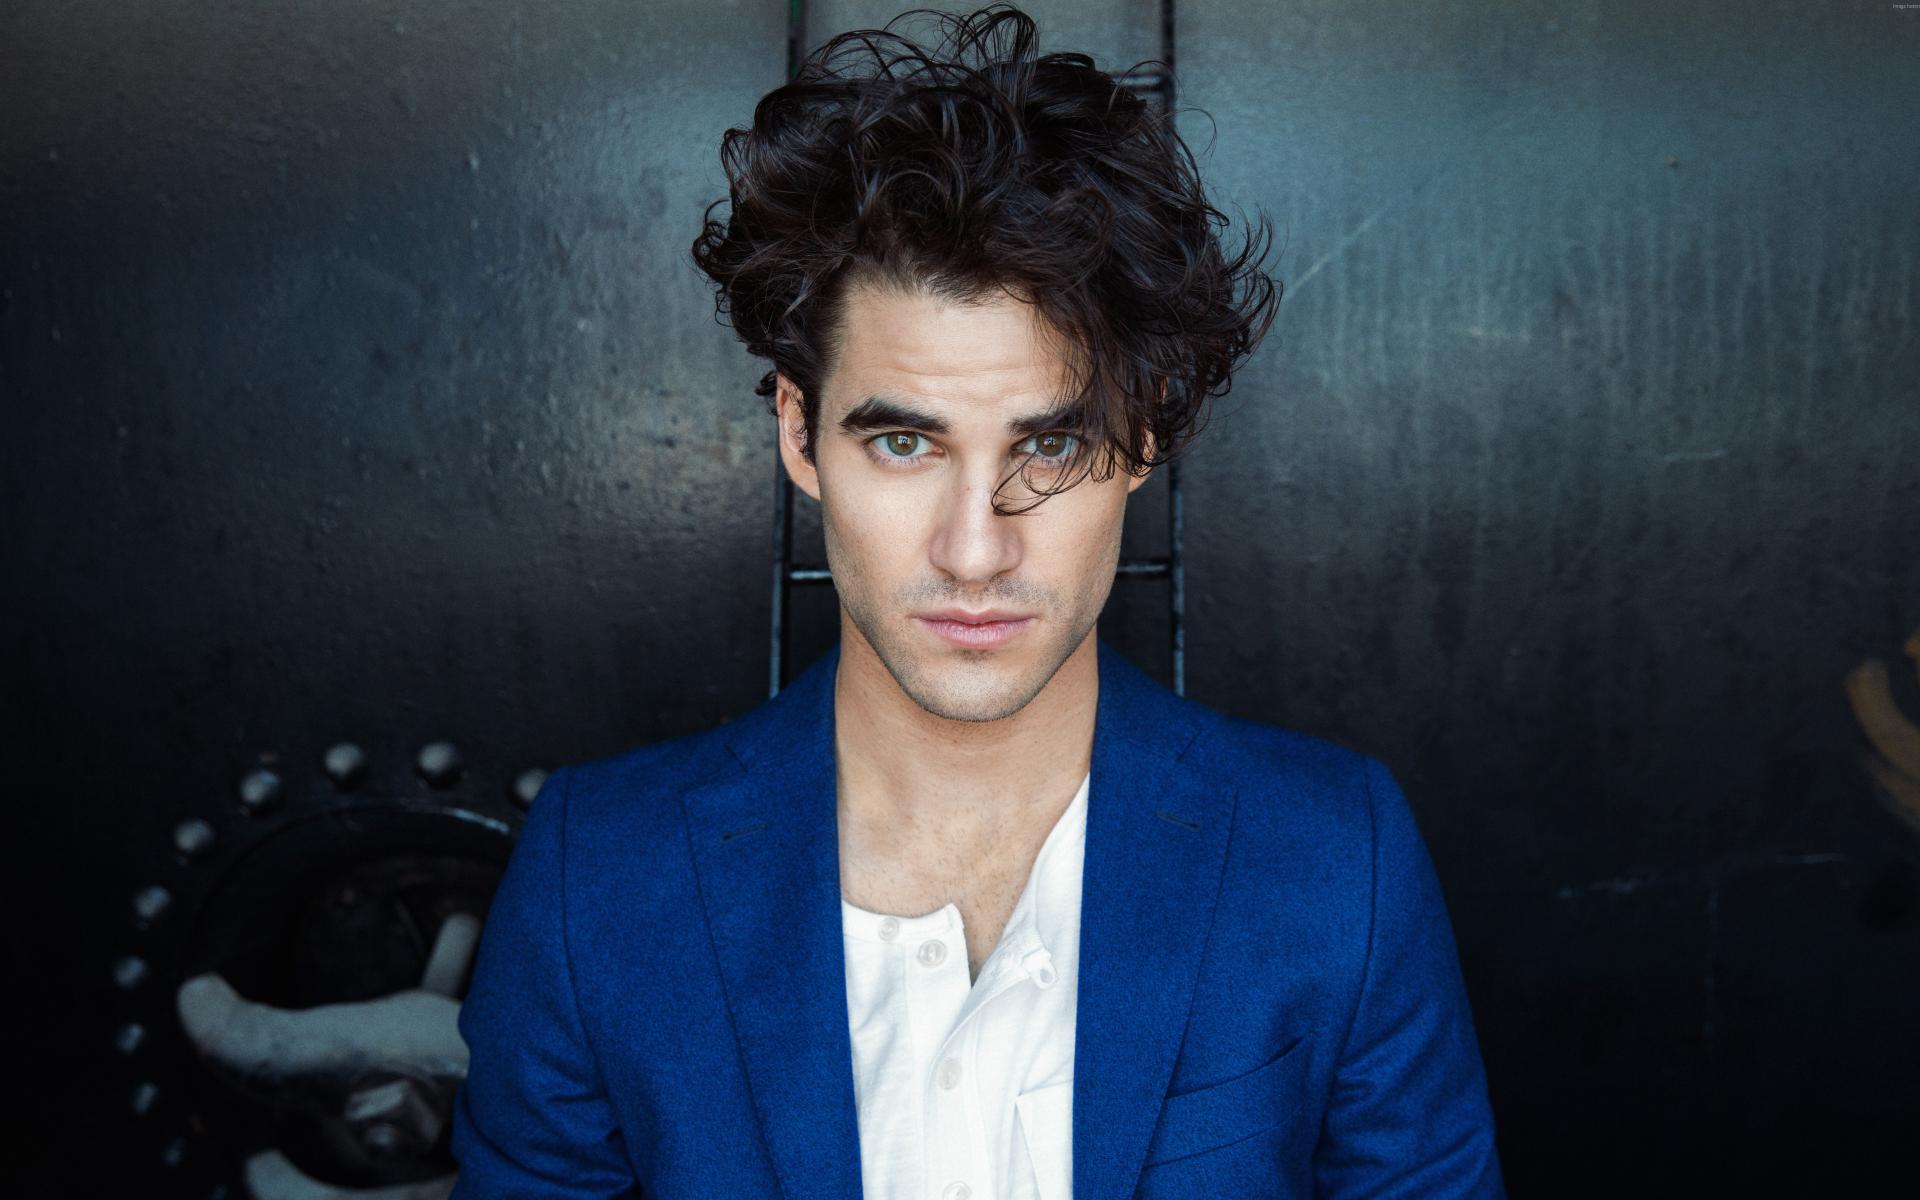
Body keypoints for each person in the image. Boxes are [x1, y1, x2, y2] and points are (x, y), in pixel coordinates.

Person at [449, 6, 1504, 1198]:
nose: (973, 549)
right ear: (798, 432)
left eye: (1048, 447)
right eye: (904, 442)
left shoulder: (1334, 860)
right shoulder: (598, 881)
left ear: (1144, 433)